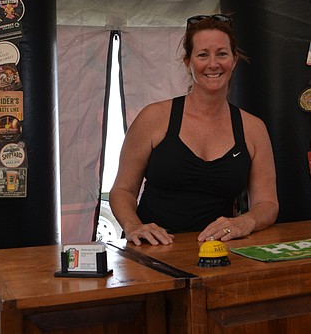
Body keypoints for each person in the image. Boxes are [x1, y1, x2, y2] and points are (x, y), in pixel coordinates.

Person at [110, 14, 279, 245]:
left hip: (218, 252)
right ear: (188, 62)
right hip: (152, 251)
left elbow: (267, 204)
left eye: (222, 53)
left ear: (234, 60)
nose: (213, 64)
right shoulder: (154, 117)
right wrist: (134, 226)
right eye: (202, 55)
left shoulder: (253, 128)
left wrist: (245, 221)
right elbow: (122, 190)